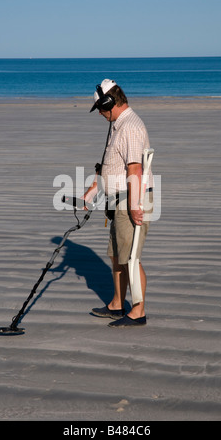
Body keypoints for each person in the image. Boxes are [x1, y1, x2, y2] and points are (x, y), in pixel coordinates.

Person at [83, 79, 153, 328]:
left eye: (100, 109)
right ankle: (116, 304)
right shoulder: (118, 125)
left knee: (131, 257)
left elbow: (134, 169)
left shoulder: (130, 127)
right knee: (117, 256)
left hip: (129, 199)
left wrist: (134, 205)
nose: (100, 114)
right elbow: (110, 163)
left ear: (108, 102)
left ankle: (138, 310)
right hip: (118, 199)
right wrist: (93, 190)